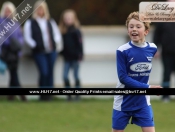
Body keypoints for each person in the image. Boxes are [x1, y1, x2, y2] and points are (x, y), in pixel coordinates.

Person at [112, 11, 162, 132]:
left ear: (146, 31)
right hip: (123, 102)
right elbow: (123, 78)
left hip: (142, 102)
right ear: (128, 30)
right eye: (131, 26)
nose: (134, 29)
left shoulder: (153, 48)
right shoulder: (122, 51)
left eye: (138, 26)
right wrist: (148, 88)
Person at [23, 1, 61, 101]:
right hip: (39, 52)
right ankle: (43, 94)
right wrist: (35, 45)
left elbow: (57, 34)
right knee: (44, 72)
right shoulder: (30, 22)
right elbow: (27, 37)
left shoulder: (50, 21)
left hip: (51, 51)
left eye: (42, 9)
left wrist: (54, 42)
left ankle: (50, 95)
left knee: (50, 73)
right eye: (39, 9)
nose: (40, 11)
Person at [0, 1, 27, 101]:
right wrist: (10, 43)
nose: (8, 13)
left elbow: (20, 37)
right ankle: (22, 96)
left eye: (9, 11)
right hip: (7, 51)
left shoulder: (16, 23)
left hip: (15, 52)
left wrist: (18, 47)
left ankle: (10, 96)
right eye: (6, 11)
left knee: (13, 73)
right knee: (14, 73)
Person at [152, 0, 175, 103]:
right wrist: (155, 49)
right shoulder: (162, 20)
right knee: (166, 74)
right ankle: (165, 96)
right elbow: (156, 36)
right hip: (167, 52)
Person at [59, 9, 83, 101]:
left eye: (69, 18)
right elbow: (62, 45)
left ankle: (77, 95)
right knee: (65, 76)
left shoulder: (76, 31)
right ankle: (68, 95)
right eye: (66, 18)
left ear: (74, 19)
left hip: (75, 58)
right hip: (66, 58)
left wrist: (80, 55)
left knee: (76, 76)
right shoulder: (63, 31)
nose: (67, 20)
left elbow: (80, 44)